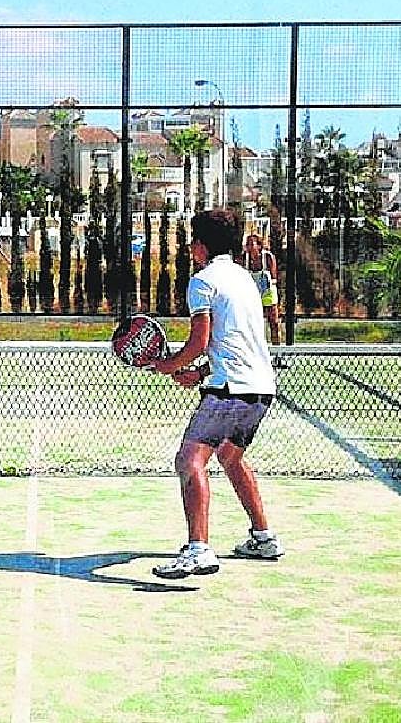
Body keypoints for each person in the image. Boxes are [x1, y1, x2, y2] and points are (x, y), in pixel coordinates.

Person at [149, 209, 284, 579]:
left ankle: (198, 549)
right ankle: (263, 536)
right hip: (260, 388)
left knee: (189, 460)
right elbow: (237, 343)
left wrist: (170, 365)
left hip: (229, 391)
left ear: (201, 246)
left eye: (193, 240)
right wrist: (199, 372)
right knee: (230, 457)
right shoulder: (246, 281)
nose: (190, 246)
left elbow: (199, 341)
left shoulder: (202, 281)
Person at [239, 233, 281, 345]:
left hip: (267, 291)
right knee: (252, 324)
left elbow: (274, 278)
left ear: (258, 245)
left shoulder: (268, 257)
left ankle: (278, 351)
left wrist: (265, 285)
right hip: (251, 294)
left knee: (274, 322)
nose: (248, 247)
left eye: (251, 244)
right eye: (247, 244)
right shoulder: (243, 259)